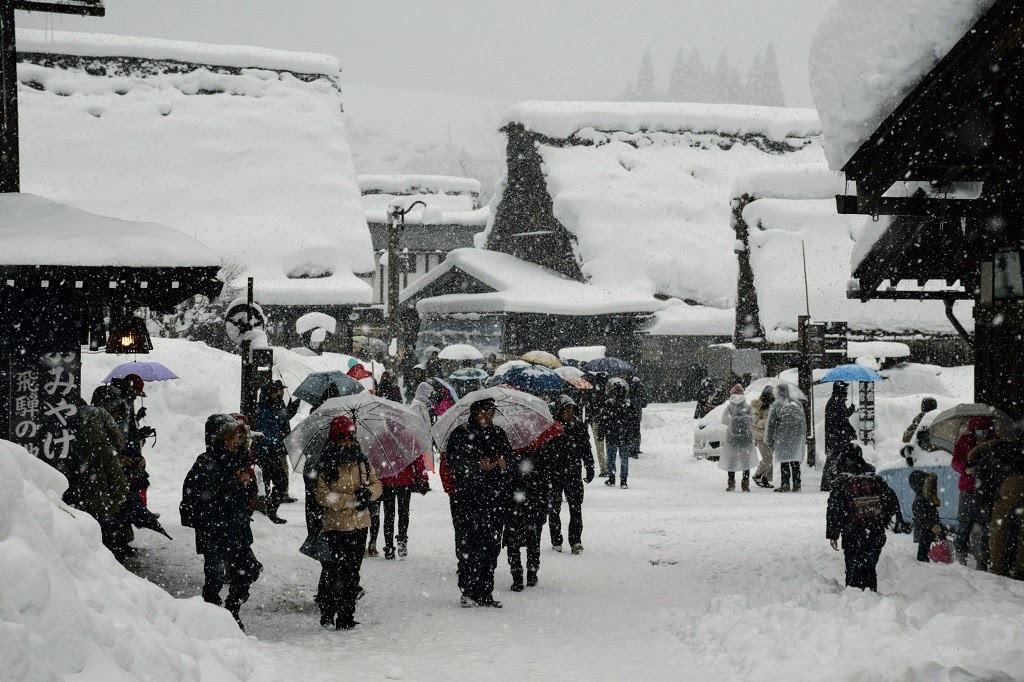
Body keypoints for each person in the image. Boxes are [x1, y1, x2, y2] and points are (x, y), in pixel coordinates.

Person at [180, 414, 261, 630]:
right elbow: (201, 497)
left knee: (248, 569)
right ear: (219, 438)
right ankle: (212, 618)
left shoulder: (240, 460)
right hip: (214, 529)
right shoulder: (205, 463)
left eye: (238, 437)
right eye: (232, 437)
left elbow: (251, 492)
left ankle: (232, 610)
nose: (236, 442)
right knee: (214, 577)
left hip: (237, 527)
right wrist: (234, 486)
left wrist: (247, 483)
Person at [314, 415, 382, 629]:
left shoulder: (362, 462)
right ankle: (328, 611)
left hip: (359, 526)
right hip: (335, 527)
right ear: (335, 440)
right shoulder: (326, 465)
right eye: (343, 439)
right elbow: (322, 495)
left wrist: (368, 494)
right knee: (333, 571)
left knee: (352, 573)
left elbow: (377, 485)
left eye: (351, 438)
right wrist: (350, 501)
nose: (347, 443)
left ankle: (346, 616)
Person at [445, 397, 511, 608]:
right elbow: (453, 464)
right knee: (468, 544)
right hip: (467, 499)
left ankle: (486, 590)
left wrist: (503, 464)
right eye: (484, 412)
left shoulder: (499, 433)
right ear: (475, 412)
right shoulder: (461, 433)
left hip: (494, 499)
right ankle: (468, 588)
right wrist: (476, 467)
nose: (488, 416)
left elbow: (510, 461)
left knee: (492, 545)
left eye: (491, 412)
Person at [64, 386, 130, 562]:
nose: (118, 417)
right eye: (115, 412)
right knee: (108, 561)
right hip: (102, 515)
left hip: (74, 510)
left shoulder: (69, 437)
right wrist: (109, 506)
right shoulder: (105, 448)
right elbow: (121, 488)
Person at [825, 444, 900, 591]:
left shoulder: (842, 481)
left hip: (852, 533)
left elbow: (835, 509)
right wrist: (881, 521)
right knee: (870, 568)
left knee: (853, 569)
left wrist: (833, 534)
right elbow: (892, 502)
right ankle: (871, 595)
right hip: (874, 533)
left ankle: (855, 599)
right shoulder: (875, 479)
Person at [504, 419, 553, 592]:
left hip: (527, 502)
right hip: (521, 502)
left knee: (524, 539)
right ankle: (524, 572)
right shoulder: (512, 453)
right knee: (525, 539)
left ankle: (524, 572)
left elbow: (544, 479)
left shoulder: (536, 453)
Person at [546, 395, 595, 554]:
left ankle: (575, 540)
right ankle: (556, 540)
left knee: (576, 508)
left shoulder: (578, 426)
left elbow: (585, 447)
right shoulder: (552, 426)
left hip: (573, 472)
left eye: (572, 410)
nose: (569, 413)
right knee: (554, 508)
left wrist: (589, 465)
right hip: (554, 472)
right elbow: (544, 451)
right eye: (566, 410)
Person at [951, 416, 997, 568]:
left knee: (986, 528)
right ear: (973, 429)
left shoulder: (995, 441)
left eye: (984, 430)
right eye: (978, 430)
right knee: (964, 525)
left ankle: (983, 560)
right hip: (968, 489)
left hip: (987, 490)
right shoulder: (965, 441)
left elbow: (1000, 462)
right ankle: (960, 558)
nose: (981, 433)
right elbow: (955, 462)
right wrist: (966, 468)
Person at [254, 380, 300, 523]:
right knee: (272, 482)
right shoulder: (265, 407)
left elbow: (280, 420)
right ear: (271, 393)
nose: (279, 394)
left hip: (271, 449)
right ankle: (269, 511)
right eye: (276, 391)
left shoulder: (271, 405)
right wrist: (288, 412)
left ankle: (270, 510)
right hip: (266, 451)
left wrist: (289, 411)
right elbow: (274, 423)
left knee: (278, 481)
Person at [368, 453, 429, 560]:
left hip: (387, 481)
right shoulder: (410, 439)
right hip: (405, 481)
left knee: (389, 515)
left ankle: (389, 547)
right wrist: (423, 478)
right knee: (404, 513)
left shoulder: (382, 438)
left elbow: (374, 460)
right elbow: (418, 460)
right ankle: (402, 541)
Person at [765, 384, 805, 493]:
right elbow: (803, 422)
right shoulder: (796, 403)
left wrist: (768, 439)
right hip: (796, 437)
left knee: (784, 461)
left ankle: (785, 484)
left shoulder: (777, 404)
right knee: (794, 461)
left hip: (783, 437)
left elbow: (771, 423)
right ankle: (797, 484)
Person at [719, 385, 757, 492]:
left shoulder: (729, 407)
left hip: (732, 438)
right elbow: (753, 421)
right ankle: (745, 484)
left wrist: (731, 425)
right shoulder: (748, 407)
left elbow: (723, 420)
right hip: (746, 438)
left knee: (731, 460)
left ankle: (731, 484)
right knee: (745, 461)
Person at [600, 378, 636, 488]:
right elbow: (634, 421)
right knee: (624, 458)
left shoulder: (608, 404)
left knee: (611, 457)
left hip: (612, 434)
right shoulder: (629, 405)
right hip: (624, 435)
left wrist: (601, 433)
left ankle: (612, 478)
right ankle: (623, 480)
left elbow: (603, 420)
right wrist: (633, 433)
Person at [821, 382, 857, 492]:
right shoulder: (835, 402)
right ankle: (827, 484)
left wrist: (850, 410)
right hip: (836, 438)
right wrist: (849, 432)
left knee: (835, 460)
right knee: (832, 460)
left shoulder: (838, 401)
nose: (846, 393)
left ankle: (831, 483)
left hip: (837, 437)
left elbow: (842, 416)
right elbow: (841, 420)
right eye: (844, 390)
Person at [909, 470, 942, 562]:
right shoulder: (919, 500)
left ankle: (925, 564)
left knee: (926, 549)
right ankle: (923, 566)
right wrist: (932, 525)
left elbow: (933, 514)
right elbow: (920, 519)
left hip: (928, 531)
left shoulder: (927, 498)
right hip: (924, 532)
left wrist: (937, 524)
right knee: (923, 551)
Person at [751, 385, 776, 488]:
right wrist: (768, 422)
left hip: (772, 435)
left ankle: (766, 479)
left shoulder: (773, 404)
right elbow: (754, 421)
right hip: (761, 436)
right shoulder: (757, 405)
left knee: (769, 458)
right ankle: (757, 475)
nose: (772, 396)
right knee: (767, 458)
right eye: (770, 394)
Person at [901, 397, 938, 466]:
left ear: (922, 406)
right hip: (935, 455)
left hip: (922, 456)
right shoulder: (940, 418)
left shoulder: (918, 421)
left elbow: (906, 439)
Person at [587, 373, 609, 477]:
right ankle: (609, 466)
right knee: (609, 445)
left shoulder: (592, 392)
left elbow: (589, 408)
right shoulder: (608, 393)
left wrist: (588, 420)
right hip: (608, 422)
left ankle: (604, 468)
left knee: (599, 446)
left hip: (596, 421)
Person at [628, 375, 648, 457]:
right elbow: (644, 401)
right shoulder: (640, 385)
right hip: (636, 411)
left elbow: (643, 401)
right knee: (636, 430)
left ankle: (633, 449)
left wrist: (633, 401)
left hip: (632, 411)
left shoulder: (632, 385)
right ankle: (635, 448)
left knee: (631, 430)